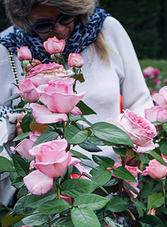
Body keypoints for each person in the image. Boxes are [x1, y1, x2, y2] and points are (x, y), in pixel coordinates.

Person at [0, 0, 153, 205]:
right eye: (44, 25)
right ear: (24, 20)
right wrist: (14, 125)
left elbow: (140, 100)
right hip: (44, 199)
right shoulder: (8, 49)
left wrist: (135, 144)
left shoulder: (107, 30)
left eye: (66, 17)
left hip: (110, 184)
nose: (60, 30)